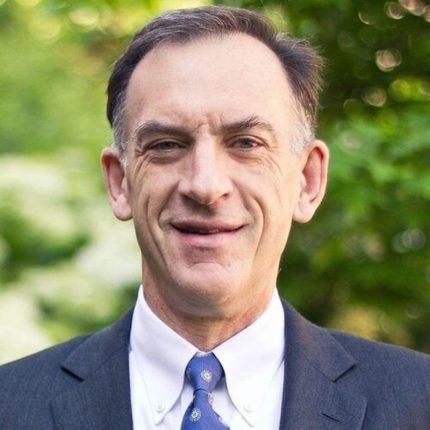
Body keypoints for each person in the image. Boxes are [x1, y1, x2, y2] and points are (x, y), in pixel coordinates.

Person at [1, 5, 429, 429]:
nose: (205, 185)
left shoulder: (419, 402)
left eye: (246, 143)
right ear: (119, 183)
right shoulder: (10, 407)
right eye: (167, 145)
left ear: (307, 180)